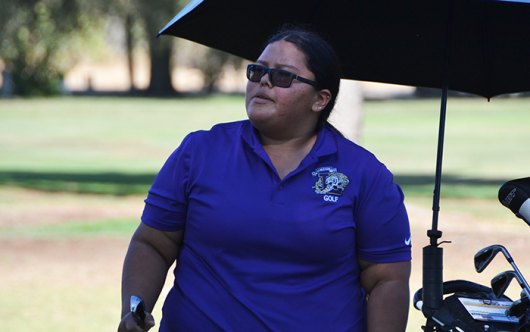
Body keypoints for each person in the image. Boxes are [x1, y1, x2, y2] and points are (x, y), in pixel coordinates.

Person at [118, 27, 412, 332]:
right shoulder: (200, 152)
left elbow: (386, 278)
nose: (264, 81)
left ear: (320, 99)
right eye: (257, 71)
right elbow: (153, 243)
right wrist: (134, 308)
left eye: (283, 76)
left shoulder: (365, 174)